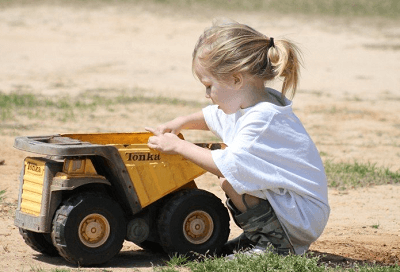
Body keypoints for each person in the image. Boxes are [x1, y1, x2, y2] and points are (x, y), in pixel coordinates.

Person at [145, 19, 330, 257]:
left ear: (236, 79)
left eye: (209, 86)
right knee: (231, 180)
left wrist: (179, 146)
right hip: (296, 209)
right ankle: (259, 236)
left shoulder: (262, 120)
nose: (207, 94)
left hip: (300, 216)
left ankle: (274, 246)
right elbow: (212, 116)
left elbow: (226, 163)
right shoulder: (253, 103)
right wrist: (179, 122)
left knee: (229, 178)